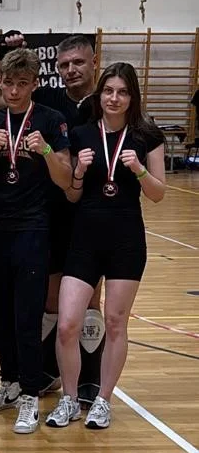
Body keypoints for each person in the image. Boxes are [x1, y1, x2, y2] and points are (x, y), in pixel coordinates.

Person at [0, 33, 104, 400]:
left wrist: (49, 151)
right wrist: (3, 52)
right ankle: (43, 373)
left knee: (89, 299)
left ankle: (89, 380)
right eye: (64, 64)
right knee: (47, 302)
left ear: (94, 62)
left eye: (78, 62)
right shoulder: (49, 99)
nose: (71, 69)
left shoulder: (107, 101)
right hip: (47, 213)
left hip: (91, 212)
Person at [47, 62, 166, 430]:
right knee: (67, 324)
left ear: (132, 97)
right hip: (84, 239)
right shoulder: (82, 134)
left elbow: (158, 194)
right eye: (109, 91)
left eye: (123, 92)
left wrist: (140, 170)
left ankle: (102, 400)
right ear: (99, 95)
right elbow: (72, 195)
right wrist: (79, 172)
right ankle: (69, 399)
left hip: (126, 241)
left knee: (115, 323)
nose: (115, 98)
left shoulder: (147, 136)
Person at [0, 49, 72, 434]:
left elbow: (66, 179)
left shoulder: (50, 119)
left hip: (34, 228)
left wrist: (45, 150)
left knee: (26, 316)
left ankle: (31, 393)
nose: (14, 91)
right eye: (8, 83)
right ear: (0, 82)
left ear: (35, 84)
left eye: (22, 83)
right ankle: (10, 382)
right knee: (0, 314)